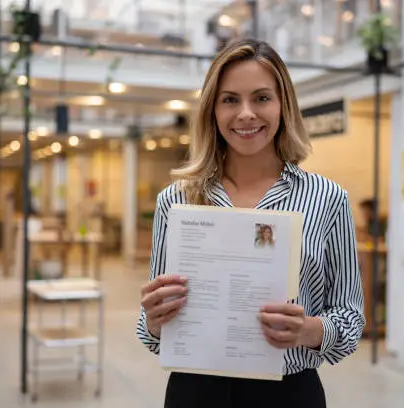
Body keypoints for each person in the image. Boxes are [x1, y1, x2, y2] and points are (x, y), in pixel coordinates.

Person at [137, 38, 365, 408]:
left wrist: (307, 330)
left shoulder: (328, 200)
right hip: (195, 391)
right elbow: (151, 334)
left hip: (288, 393)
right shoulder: (175, 201)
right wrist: (154, 319)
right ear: (212, 109)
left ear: (283, 106)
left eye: (261, 98)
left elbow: (350, 318)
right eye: (230, 99)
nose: (246, 114)